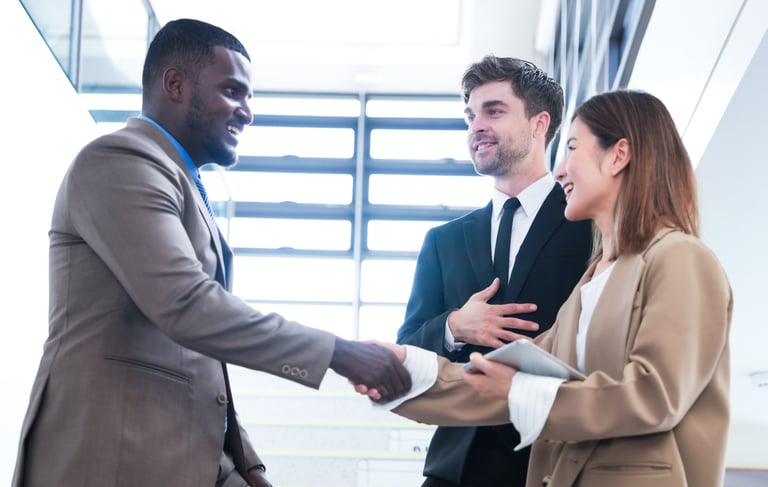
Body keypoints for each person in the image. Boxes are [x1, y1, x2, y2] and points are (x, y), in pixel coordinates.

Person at [12, 18, 410, 487]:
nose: (247, 112)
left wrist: (247, 465)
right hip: (110, 457)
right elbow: (186, 305)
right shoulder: (119, 160)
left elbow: (202, 361)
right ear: (175, 85)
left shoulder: (182, 183)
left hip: (183, 457)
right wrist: (339, 352)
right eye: (232, 91)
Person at [368, 90, 733, 487]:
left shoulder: (680, 257)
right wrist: (401, 371)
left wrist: (520, 392)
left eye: (572, 146)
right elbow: (493, 379)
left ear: (618, 155)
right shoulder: (592, 282)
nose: (559, 171)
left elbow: (655, 395)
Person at [396, 55, 592, 486]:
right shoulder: (443, 241)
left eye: (494, 111)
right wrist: (454, 326)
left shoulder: (589, 226)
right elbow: (407, 348)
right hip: (454, 470)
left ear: (540, 124)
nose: (476, 126)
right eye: (470, 115)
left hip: (551, 464)